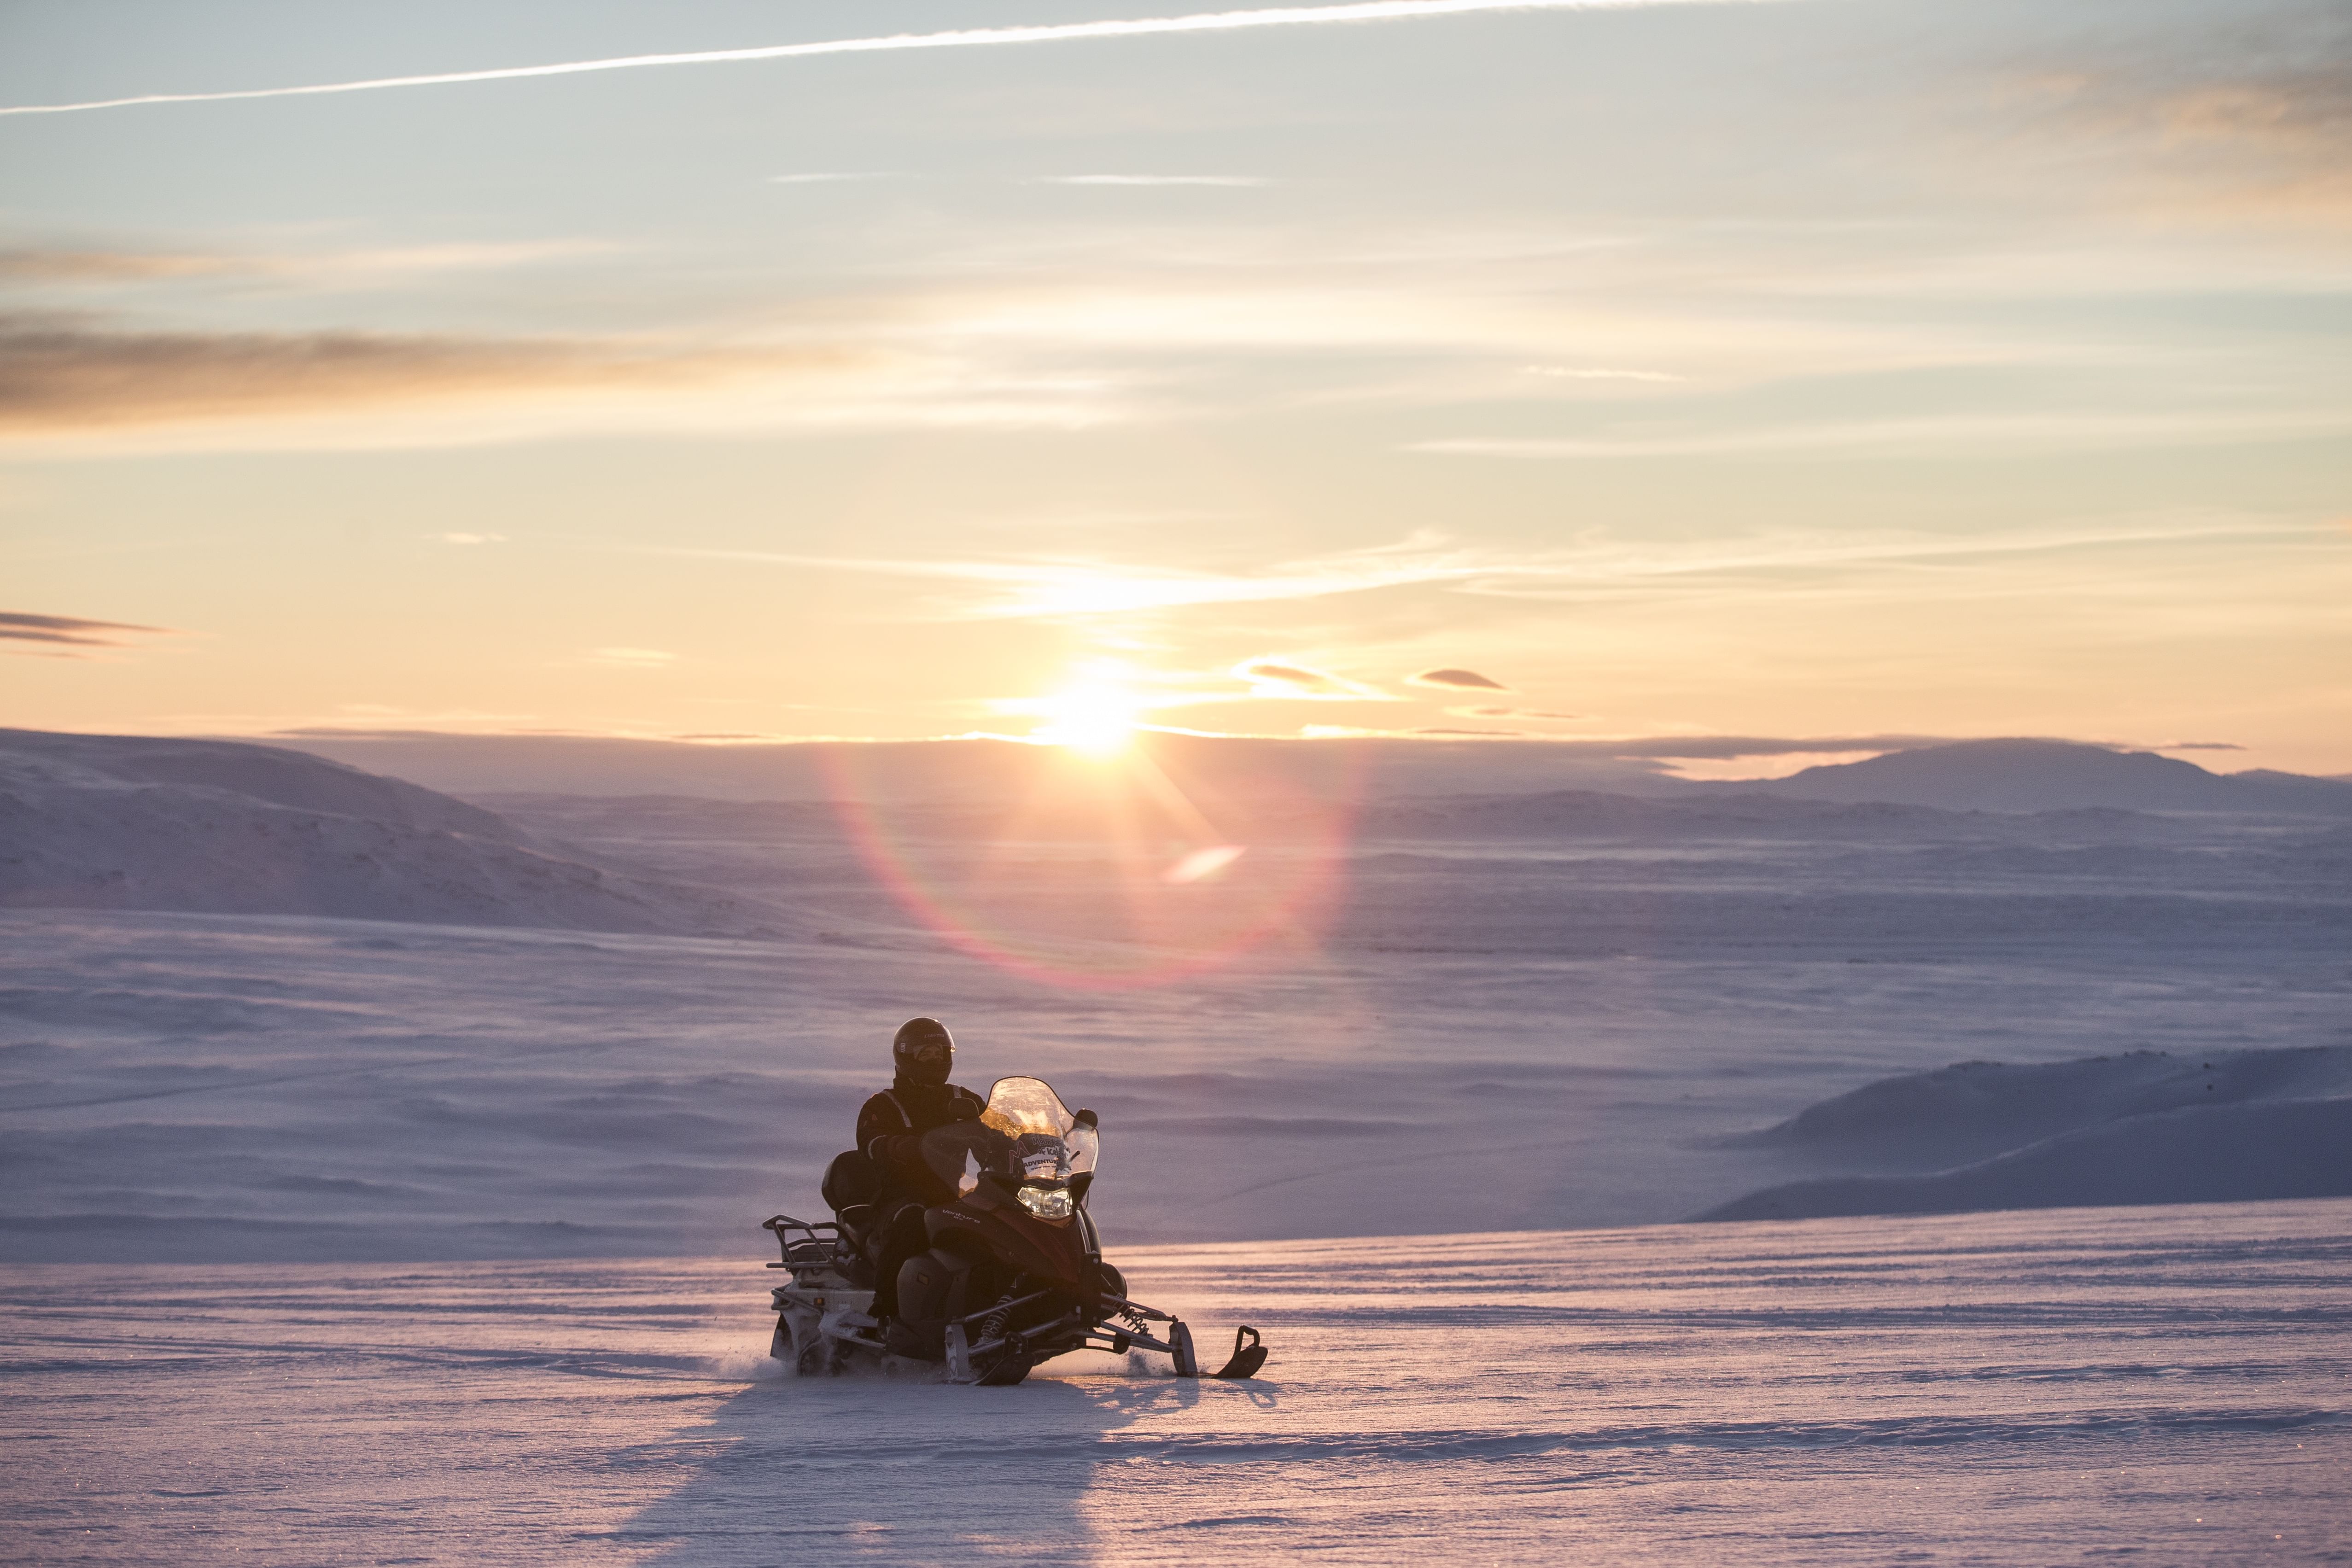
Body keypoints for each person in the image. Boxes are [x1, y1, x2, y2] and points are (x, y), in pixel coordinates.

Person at [854, 1016, 986, 1326]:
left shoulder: (963, 1100)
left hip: (952, 1195)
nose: (935, 1059)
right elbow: (869, 1141)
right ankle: (887, 1312)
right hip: (898, 1196)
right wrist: (895, 1145)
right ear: (906, 1056)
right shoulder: (883, 1104)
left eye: (940, 1053)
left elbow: (992, 1133)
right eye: (926, 1053)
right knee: (913, 1220)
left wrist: (1023, 1145)